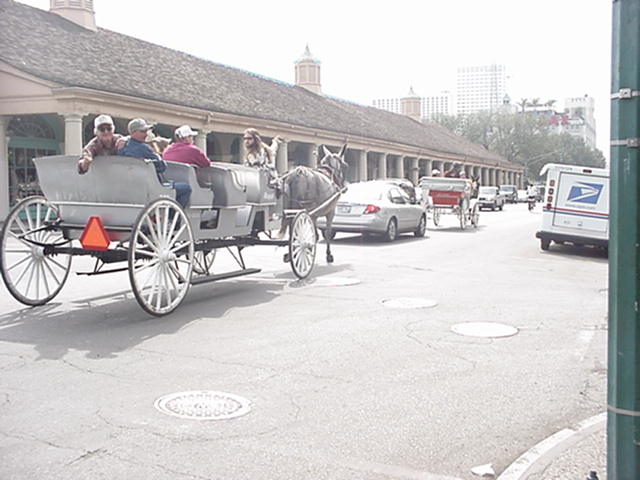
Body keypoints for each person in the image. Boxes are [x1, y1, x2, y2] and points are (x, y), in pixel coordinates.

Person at [118, 118, 191, 209]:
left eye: (146, 131)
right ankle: (172, 217)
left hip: (130, 186)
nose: (146, 134)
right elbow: (162, 166)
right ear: (133, 132)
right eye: (143, 131)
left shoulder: (122, 148)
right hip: (150, 188)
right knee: (186, 188)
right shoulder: (144, 148)